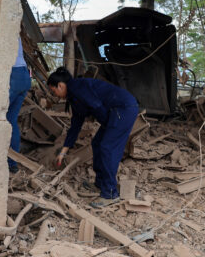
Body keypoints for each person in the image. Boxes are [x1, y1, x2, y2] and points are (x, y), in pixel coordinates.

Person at [48, 67, 138, 208]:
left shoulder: (77, 87)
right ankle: (100, 183)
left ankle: (110, 193)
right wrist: (63, 152)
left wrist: (107, 124)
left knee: (107, 147)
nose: (55, 95)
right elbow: (75, 125)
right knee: (97, 143)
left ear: (60, 85)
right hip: (115, 111)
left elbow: (96, 105)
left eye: (54, 91)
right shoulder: (74, 96)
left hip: (123, 109)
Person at [6, 36, 31, 173]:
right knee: (11, 120)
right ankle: (12, 163)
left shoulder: (1, 25)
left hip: (13, 74)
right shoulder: (15, 31)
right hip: (24, 74)